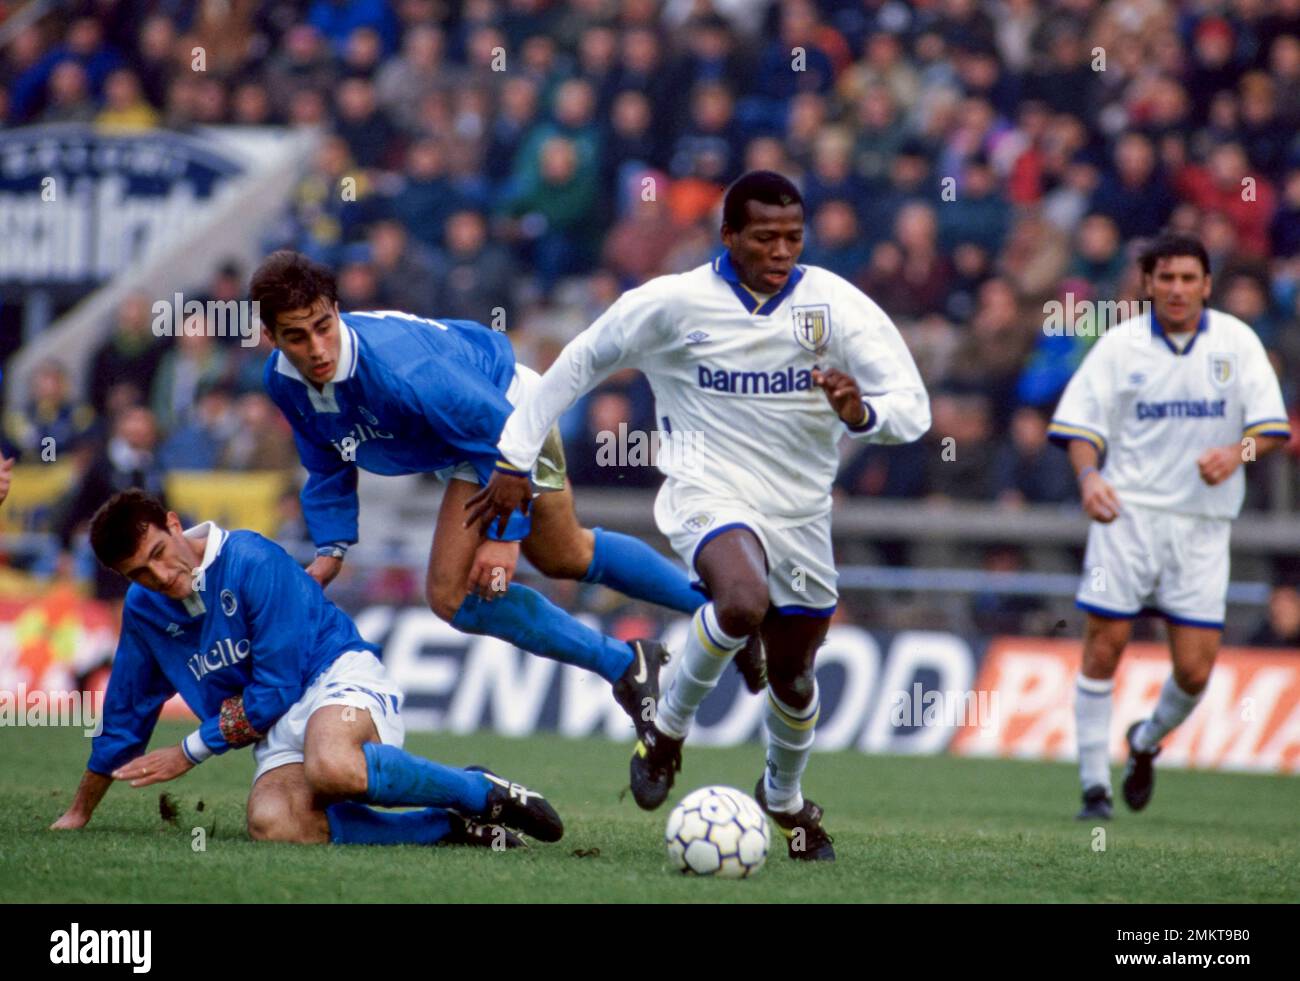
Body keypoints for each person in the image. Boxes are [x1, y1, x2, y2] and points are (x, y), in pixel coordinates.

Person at [468, 171, 931, 861]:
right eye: (765, 237)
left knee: (795, 679)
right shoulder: (674, 303)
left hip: (800, 512)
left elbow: (914, 409)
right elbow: (576, 363)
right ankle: (667, 729)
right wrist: (514, 457)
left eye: (793, 238)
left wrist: (862, 413)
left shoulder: (837, 308)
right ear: (729, 237)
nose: (781, 251)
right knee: (742, 602)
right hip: (705, 491)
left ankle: (783, 795)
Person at [250, 251, 749, 744]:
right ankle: (720, 617)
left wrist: (503, 538)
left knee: (451, 594)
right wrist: (332, 548)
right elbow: (326, 453)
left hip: (508, 421)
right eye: (297, 335)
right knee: (567, 554)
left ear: (337, 309)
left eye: (323, 325)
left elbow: (499, 431)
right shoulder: (283, 378)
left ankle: (655, 651)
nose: (317, 348)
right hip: (460, 442)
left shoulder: (406, 369)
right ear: (271, 337)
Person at [50, 489, 562, 849]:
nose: (159, 576)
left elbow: (275, 688)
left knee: (333, 766)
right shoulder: (145, 607)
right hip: (276, 726)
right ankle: (445, 829)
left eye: (159, 553)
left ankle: (481, 791)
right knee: (274, 823)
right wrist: (80, 811)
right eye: (138, 572)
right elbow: (126, 709)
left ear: (175, 524)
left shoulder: (252, 560)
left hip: (336, 678)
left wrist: (188, 750)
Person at [1048, 231, 1291, 820]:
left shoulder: (1238, 343)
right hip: (1126, 517)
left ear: (1207, 284)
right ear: (1148, 284)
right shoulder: (1119, 346)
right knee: (1104, 647)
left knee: (1195, 668)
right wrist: (1089, 480)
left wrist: (1237, 455)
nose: (1178, 289)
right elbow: (1079, 430)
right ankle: (1092, 789)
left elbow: (1273, 434)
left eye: (1189, 278)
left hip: (1202, 527)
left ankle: (1145, 740)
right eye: (1167, 278)